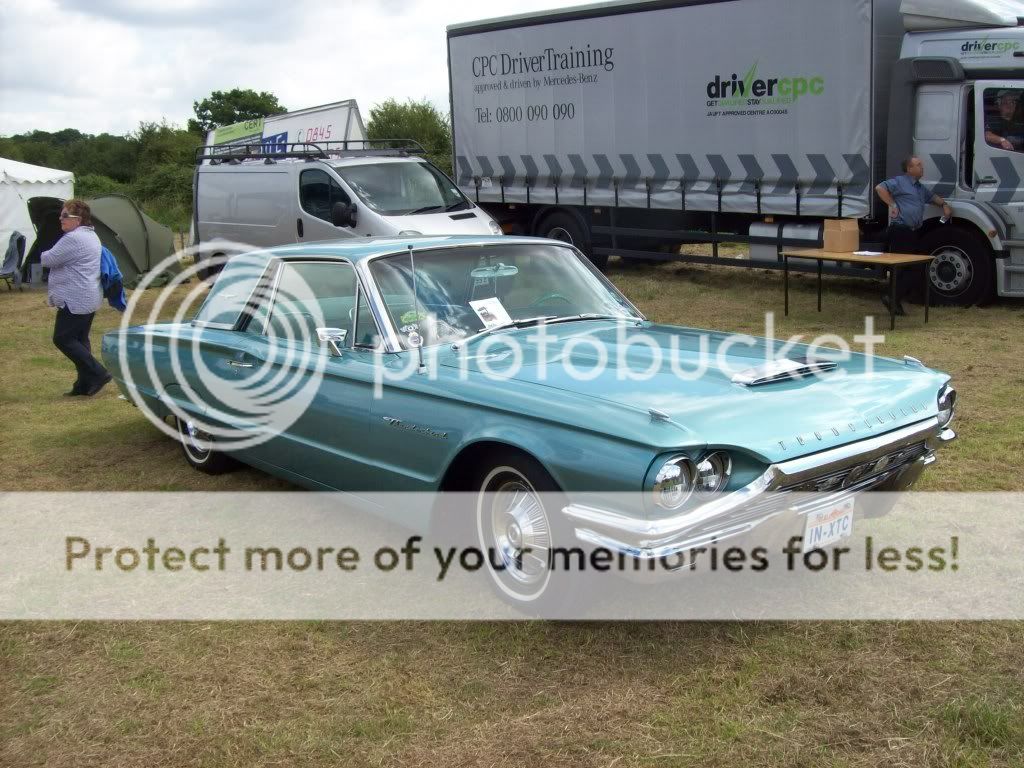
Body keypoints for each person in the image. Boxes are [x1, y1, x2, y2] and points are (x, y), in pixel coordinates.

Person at [41, 199, 111, 396]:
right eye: (61, 215)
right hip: (88, 296)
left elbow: (48, 259)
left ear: (78, 220)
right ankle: (84, 385)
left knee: (63, 338)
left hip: (76, 299)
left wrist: (46, 246)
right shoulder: (91, 235)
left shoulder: (73, 239)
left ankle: (98, 373)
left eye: (65, 216)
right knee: (79, 340)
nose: (60, 219)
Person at [874, 156, 953, 315]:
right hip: (900, 231)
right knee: (905, 268)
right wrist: (893, 204)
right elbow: (879, 188)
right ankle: (893, 298)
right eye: (918, 165)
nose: (922, 168)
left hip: (912, 232)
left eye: (921, 165)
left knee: (911, 268)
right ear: (909, 169)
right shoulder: (900, 182)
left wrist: (944, 205)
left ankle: (894, 300)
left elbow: (933, 198)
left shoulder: (919, 188)